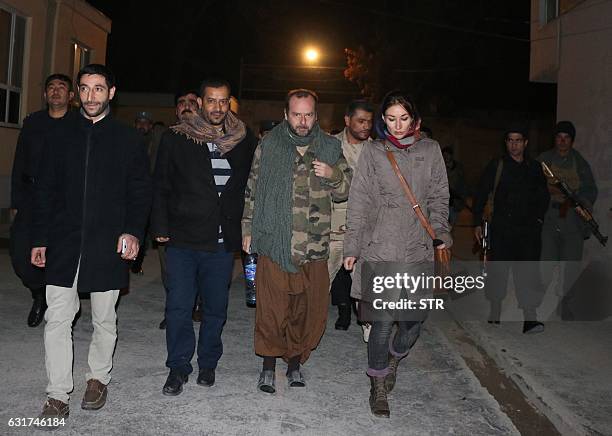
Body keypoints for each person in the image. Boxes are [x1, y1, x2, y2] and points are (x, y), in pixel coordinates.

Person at [30, 64, 151, 425]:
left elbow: (139, 191)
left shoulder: (128, 138)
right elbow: (45, 191)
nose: (91, 96)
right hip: (64, 241)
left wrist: (132, 232)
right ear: (76, 93)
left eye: (99, 89)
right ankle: (56, 394)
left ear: (111, 93)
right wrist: (39, 238)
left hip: (107, 242)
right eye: (84, 89)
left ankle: (98, 378)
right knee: (57, 318)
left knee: (104, 317)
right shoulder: (59, 135)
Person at [343, 90, 451, 418]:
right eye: (391, 119)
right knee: (382, 319)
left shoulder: (431, 151)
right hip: (381, 247)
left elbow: (438, 197)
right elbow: (359, 201)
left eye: (403, 118)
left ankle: (394, 357)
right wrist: (352, 247)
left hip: (418, 248)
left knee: (413, 321)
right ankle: (377, 383)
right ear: (383, 120)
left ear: (414, 119)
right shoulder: (375, 152)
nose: (397, 125)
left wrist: (441, 233)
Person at [242, 89, 351, 393]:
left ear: (316, 115)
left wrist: (333, 175)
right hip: (275, 242)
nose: (302, 121)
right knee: (271, 310)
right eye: (296, 114)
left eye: (308, 114)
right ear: (286, 114)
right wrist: (247, 229)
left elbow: (345, 191)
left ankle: (294, 365)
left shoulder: (330, 147)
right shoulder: (269, 145)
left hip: (314, 248)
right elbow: (252, 190)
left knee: (305, 311)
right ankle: (267, 365)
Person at [152, 78, 257, 395]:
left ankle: (208, 363)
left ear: (230, 103)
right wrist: (160, 227)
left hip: (223, 241)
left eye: (223, 101)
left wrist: (250, 229)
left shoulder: (243, 139)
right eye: (211, 100)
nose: (217, 107)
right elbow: (161, 185)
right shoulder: (177, 137)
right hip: (183, 237)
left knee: (215, 308)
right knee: (178, 308)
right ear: (199, 102)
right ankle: (178, 367)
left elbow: (252, 187)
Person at [10, 73, 74, 327]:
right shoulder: (33, 123)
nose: (56, 91)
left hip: (62, 201)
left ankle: (53, 300)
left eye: (62, 88)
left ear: (71, 96)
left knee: (57, 253)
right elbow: (19, 163)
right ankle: (38, 292)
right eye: (51, 87)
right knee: (19, 255)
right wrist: (16, 201)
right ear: (45, 94)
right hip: (31, 199)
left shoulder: (78, 126)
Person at [473, 126, 550, 333]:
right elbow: (481, 193)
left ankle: (530, 318)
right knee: (498, 272)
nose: (514, 144)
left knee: (528, 274)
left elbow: (544, 197)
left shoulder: (534, 168)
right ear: (505, 142)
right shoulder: (497, 166)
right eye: (510, 140)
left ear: (525, 143)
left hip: (528, 232)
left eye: (518, 140)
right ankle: (495, 311)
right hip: (501, 230)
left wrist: (539, 220)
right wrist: (476, 223)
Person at [537, 121, 598, 304]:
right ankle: (538, 299)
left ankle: (567, 301)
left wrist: (578, 200)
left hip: (572, 220)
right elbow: (531, 185)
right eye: (559, 137)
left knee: (571, 263)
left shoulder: (579, 162)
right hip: (549, 217)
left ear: (572, 141)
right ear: (554, 139)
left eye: (566, 138)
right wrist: (549, 193)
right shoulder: (543, 160)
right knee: (545, 262)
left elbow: (591, 190)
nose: (562, 141)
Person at [156, 89, 200, 330]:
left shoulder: (215, 138)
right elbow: (157, 181)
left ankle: (198, 304)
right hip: (171, 217)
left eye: (192, 102)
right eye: (181, 102)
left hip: (201, 219)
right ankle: (174, 310)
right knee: (170, 271)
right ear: (176, 110)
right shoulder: (166, 137)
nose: (186, 106)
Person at [329, 99, 374, 330]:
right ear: (347, 120)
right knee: (324, 282)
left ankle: (370, 333)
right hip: (333, 226)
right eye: (360, 121)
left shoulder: (378, 152)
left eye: (369, 121)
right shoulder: (329, 145)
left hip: (366, 229)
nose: (366, 126)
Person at [441, 146, 468, 227]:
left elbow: (463, 185)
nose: (446, 157)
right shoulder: (440, 166)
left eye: (447, 155)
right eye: (444, 155)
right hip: (443, 201)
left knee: (451, 224)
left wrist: (462, 199)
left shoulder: (459, 168)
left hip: (454, 201)